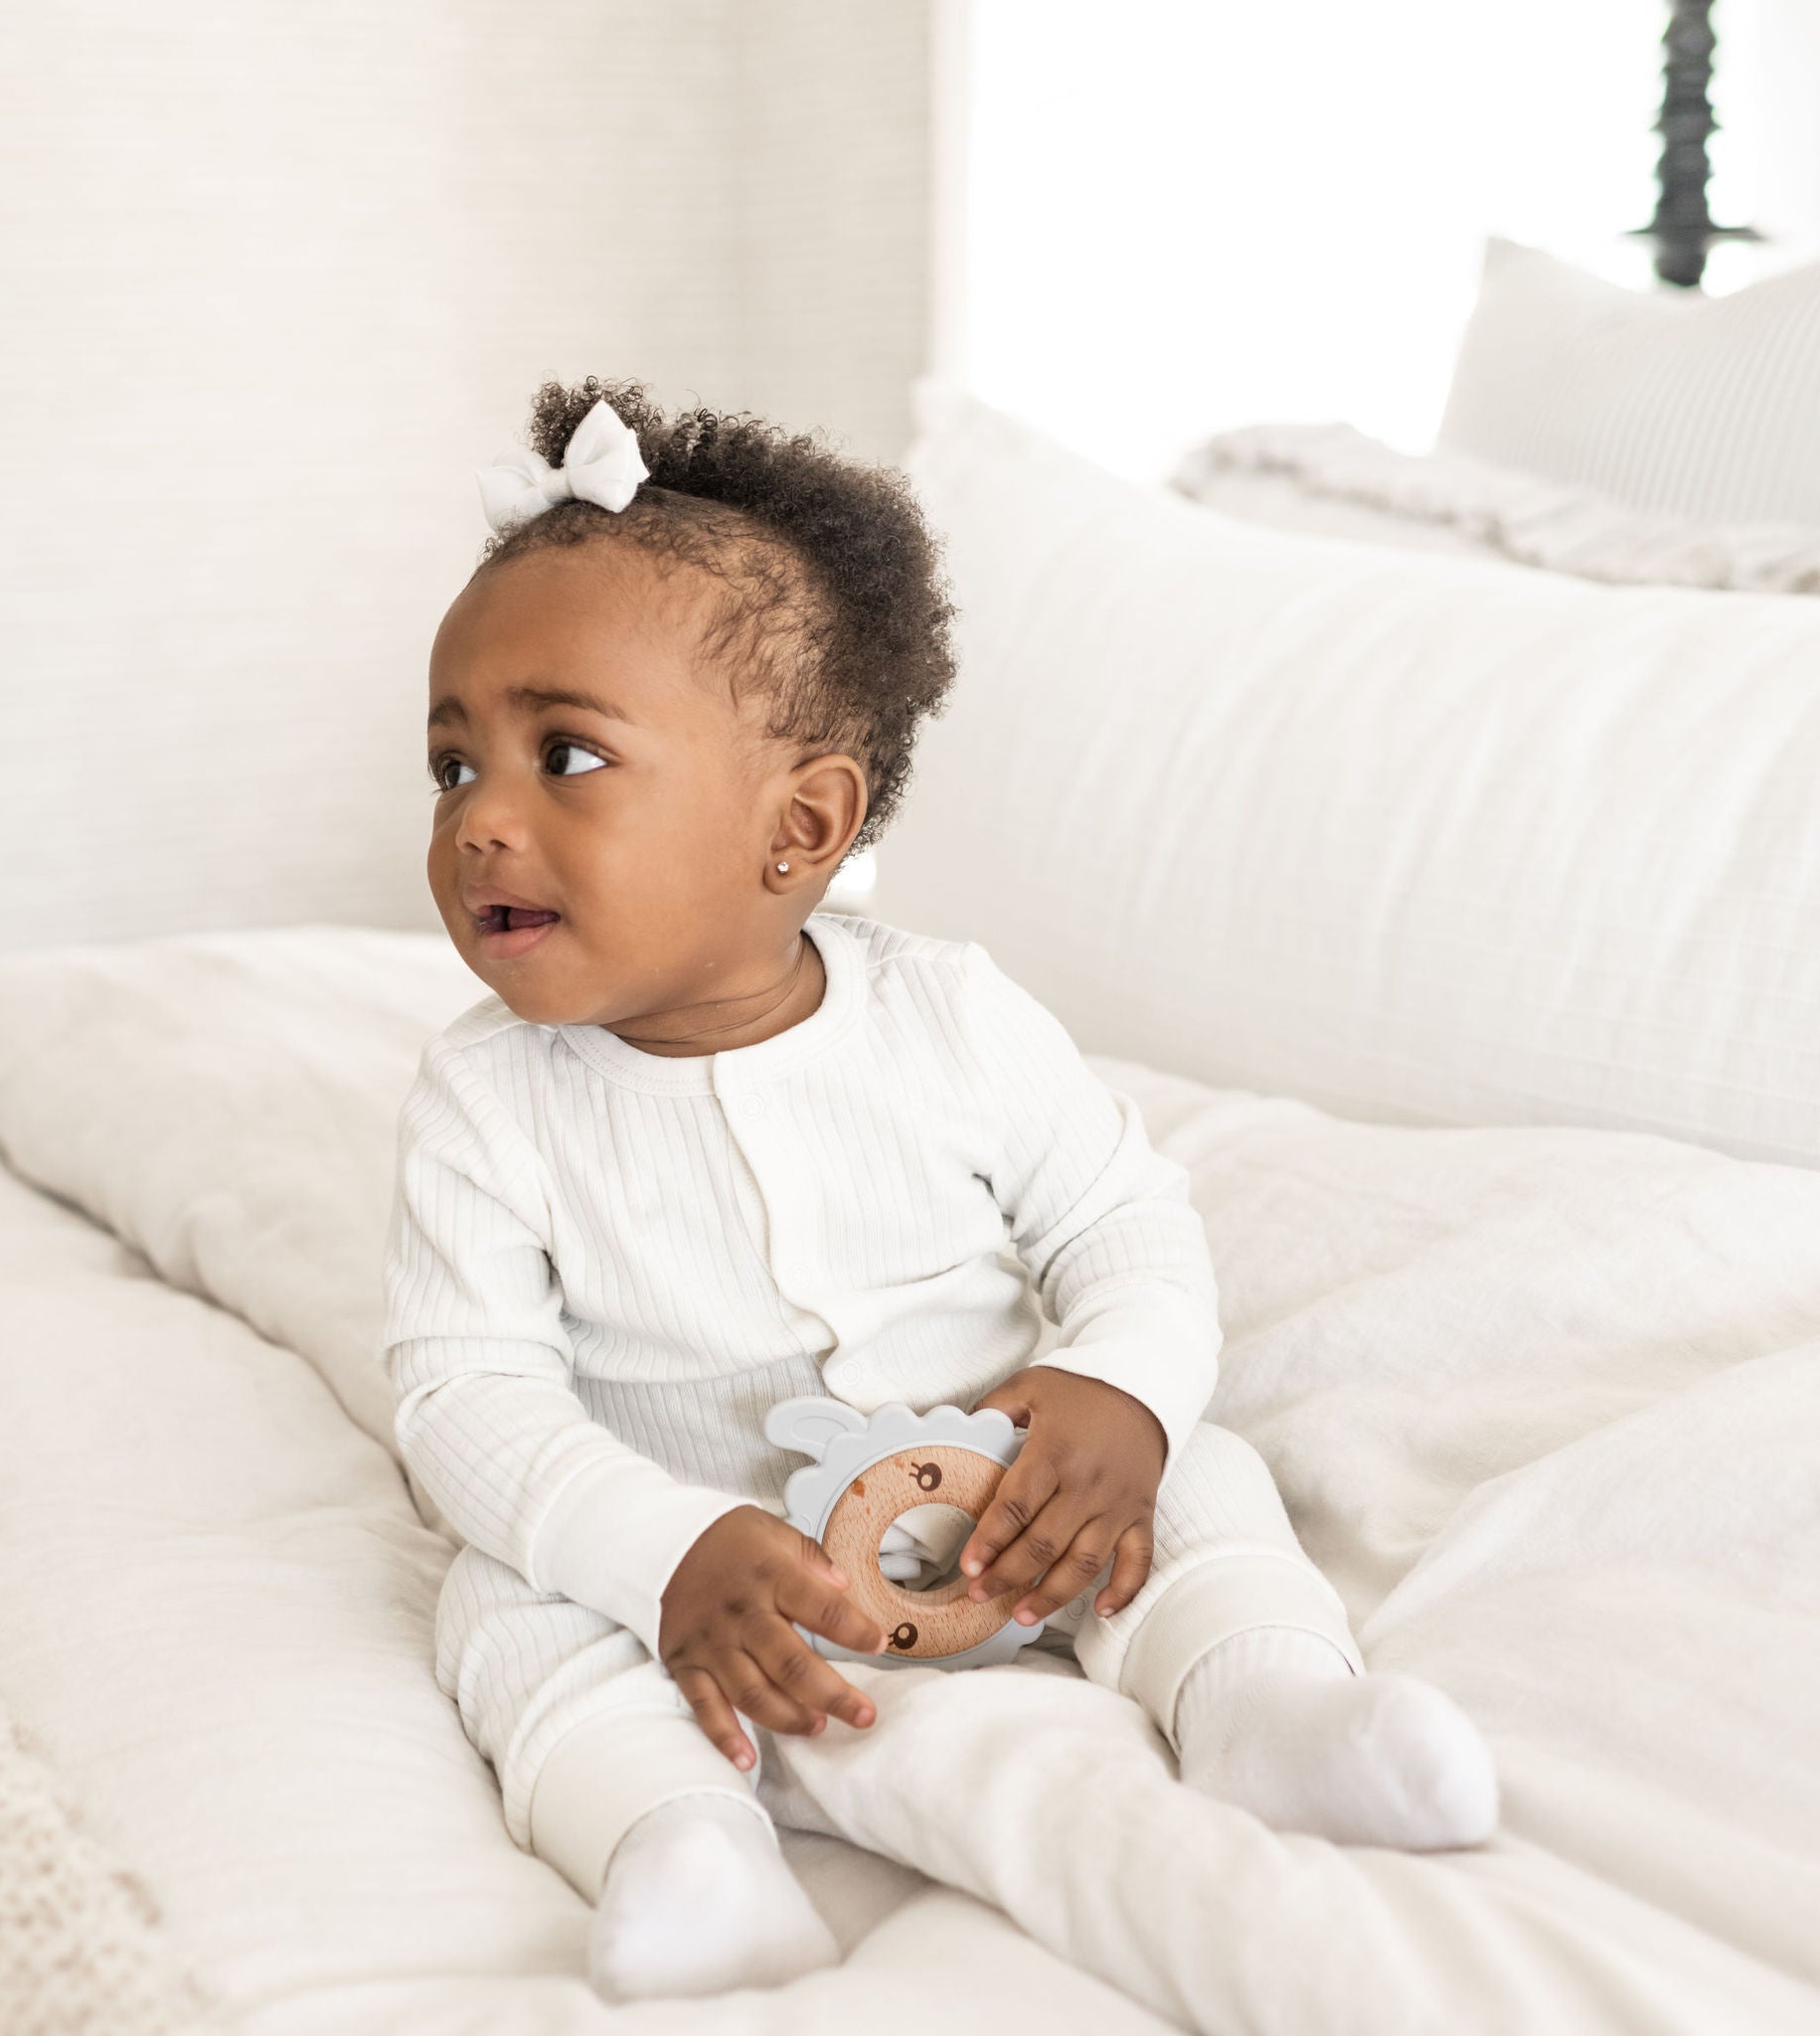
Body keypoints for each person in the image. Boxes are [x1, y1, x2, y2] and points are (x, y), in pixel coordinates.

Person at [384, 381, 1496, 2003]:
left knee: (1195, 1473)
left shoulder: (950, 1017)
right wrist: (659, 1548)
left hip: (1005, 1508)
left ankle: (1262, 1703)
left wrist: (1115, 1395)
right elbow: (461, 1396)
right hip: (716, 1576)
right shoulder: (484, 1103)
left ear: (802, 825)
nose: (482, 818)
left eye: (563, 755)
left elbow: (1123, 1226)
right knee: (500, 1600)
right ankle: (681, 1848)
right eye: (449, 763)